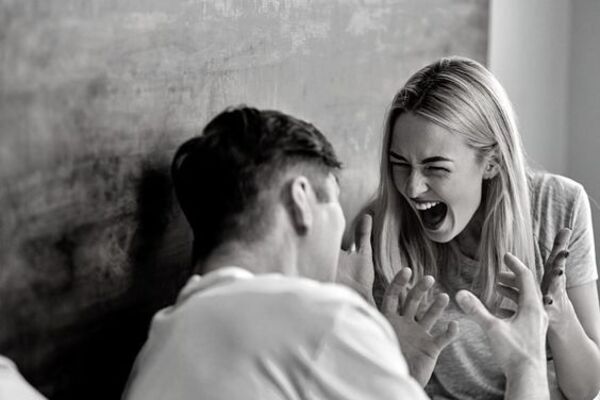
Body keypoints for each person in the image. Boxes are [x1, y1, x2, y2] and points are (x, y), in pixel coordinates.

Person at [122, 105, 550, 399]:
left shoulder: (161, 341)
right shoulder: (320, 317)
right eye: (334, 200)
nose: (342, 227)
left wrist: (399, 371)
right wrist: (526, 362)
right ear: (301, 200)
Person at [365, 56, 600, 399]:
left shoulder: (558, 204)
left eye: (435, 167)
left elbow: (587, 389)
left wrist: (560, 316)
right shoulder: (381, 229)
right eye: (399, 163)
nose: (412, 187)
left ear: (491, 163)